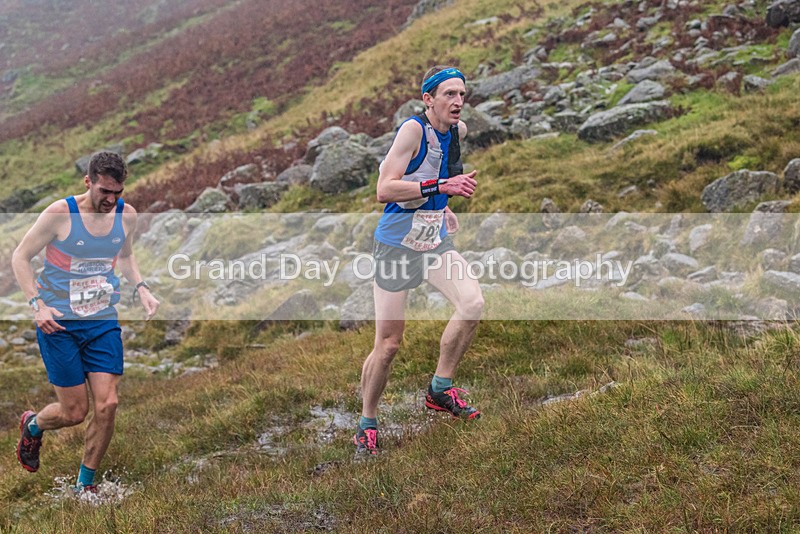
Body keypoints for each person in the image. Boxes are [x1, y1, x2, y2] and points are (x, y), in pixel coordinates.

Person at [354, 66, 484, 457]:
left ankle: (440, 389)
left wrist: (441, 207)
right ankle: (367, 423)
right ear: (428, 99)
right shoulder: (413, 130)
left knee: (473, 304)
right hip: (395, 246)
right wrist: (440, 188)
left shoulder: (457, 133)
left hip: (433, 241)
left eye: (461, 93)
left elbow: (440, 171)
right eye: (448, 94)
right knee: (390, 344)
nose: (458, 101)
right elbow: (385, 188)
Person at [12, 151, 159, 492]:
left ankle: (85, 485)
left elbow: (125, 255)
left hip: (102, 320)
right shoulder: (60, 214)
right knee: (74, 412)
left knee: (108, 404)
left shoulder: (126, 216)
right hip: (58, 324)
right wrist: (37, 305)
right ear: (88, 181)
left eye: (117, 192)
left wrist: (142, 287)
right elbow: (20, 256)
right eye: (104, 191)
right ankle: (34, 426)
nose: (110, 199)